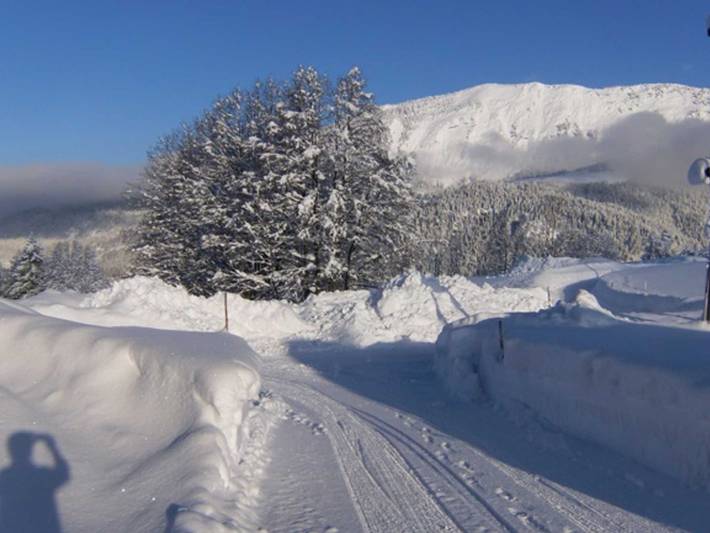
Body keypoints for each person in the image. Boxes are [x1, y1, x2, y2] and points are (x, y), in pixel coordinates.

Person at [0, 432, 70, 533]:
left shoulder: (5, 477)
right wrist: (52, 447)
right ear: (30, 450)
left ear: (10, 450)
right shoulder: (42, 475)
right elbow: (64, 473)